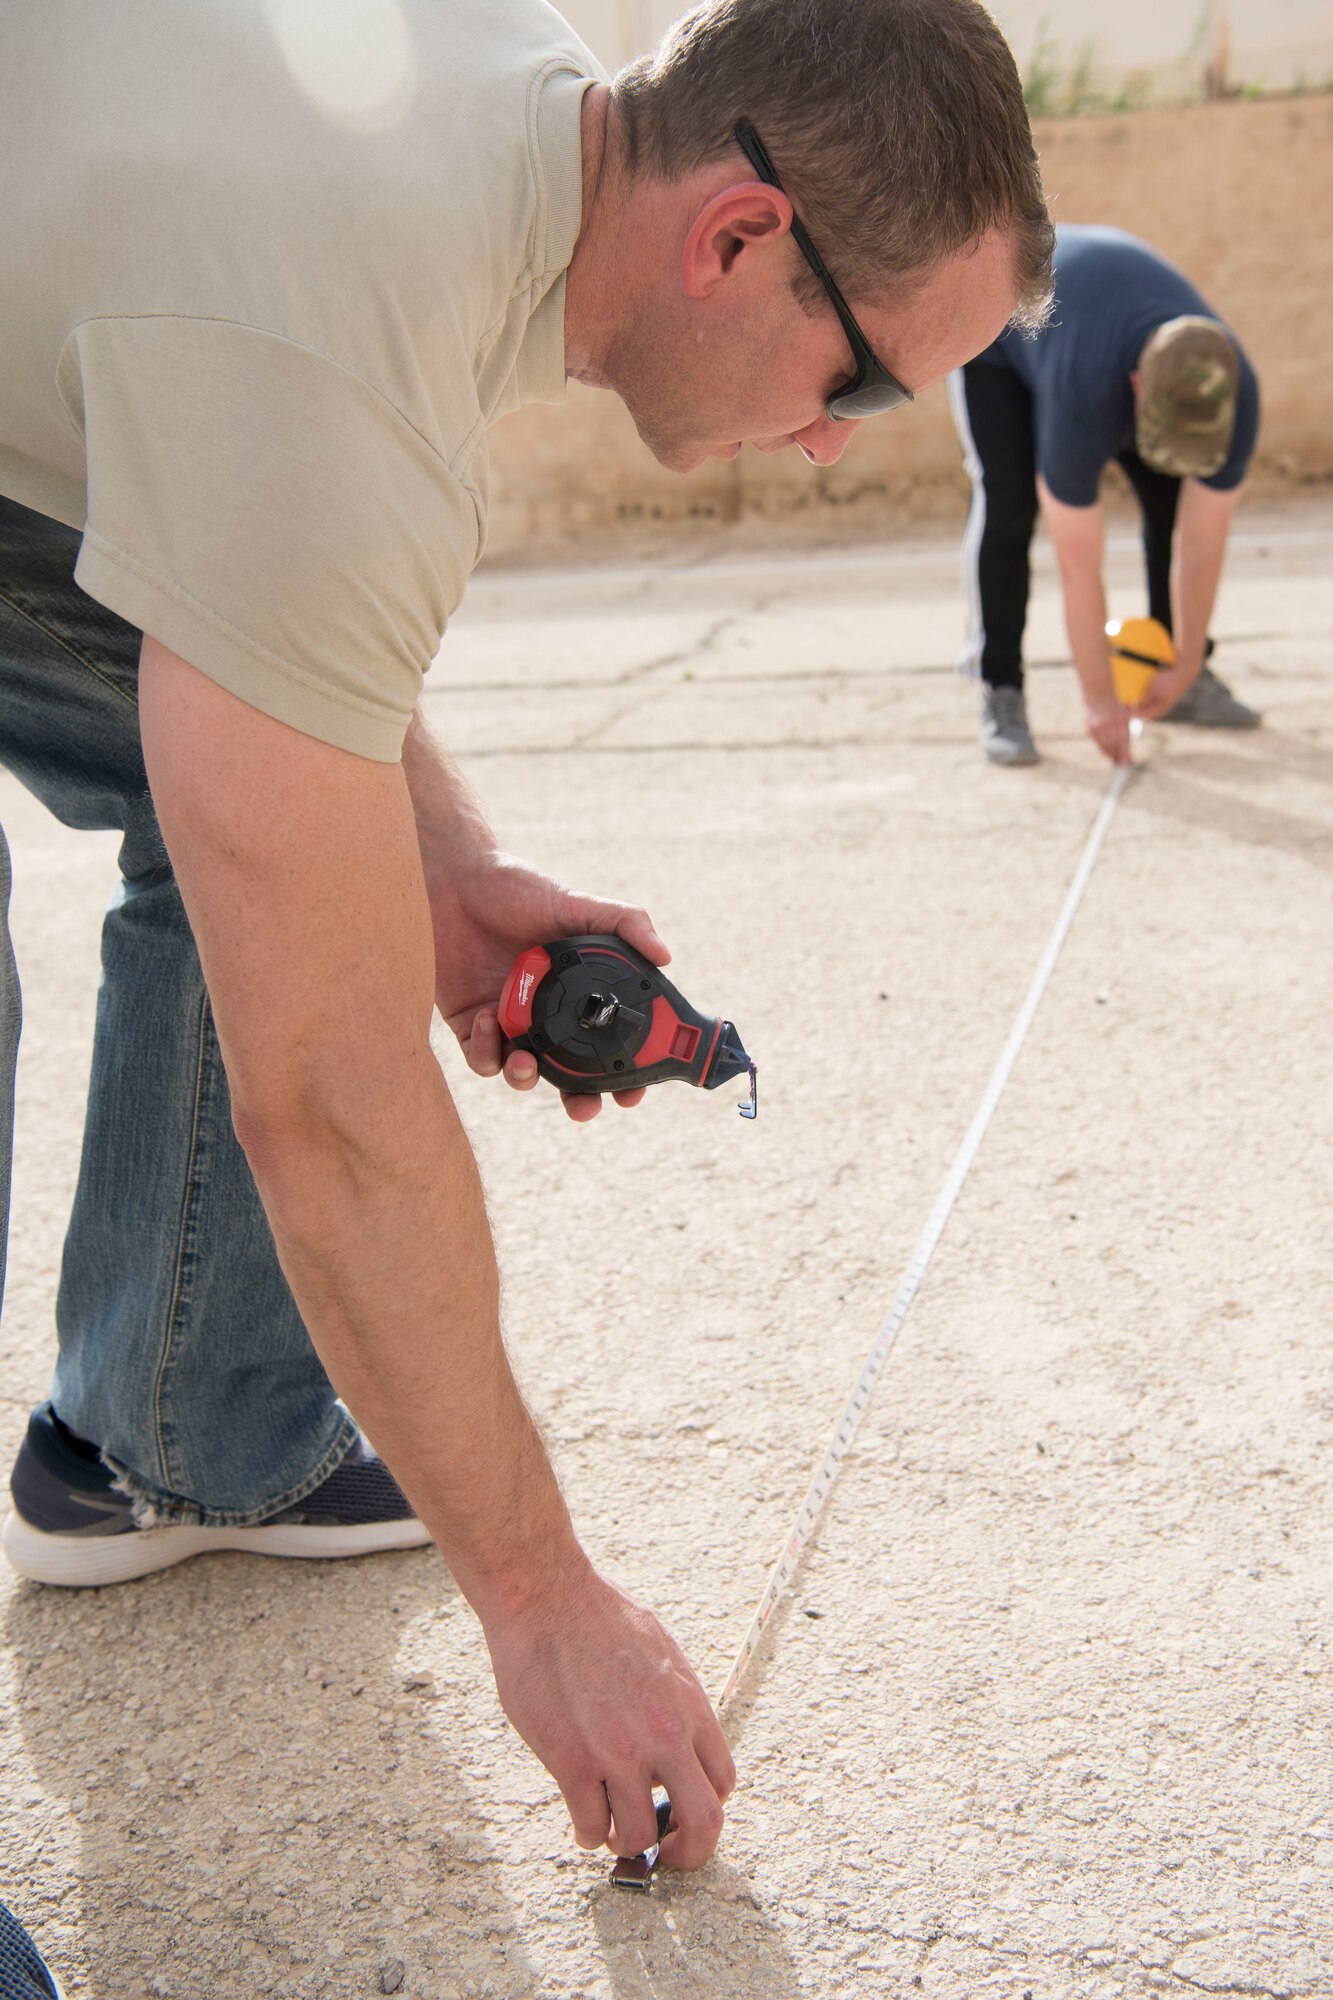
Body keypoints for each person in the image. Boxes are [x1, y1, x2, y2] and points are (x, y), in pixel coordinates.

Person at [0, 0, 1052, 1888]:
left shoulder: (502, 115)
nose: (825, 447)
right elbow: (321, 1108)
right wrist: (544, 1600)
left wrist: (442, 864)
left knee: (262, 827)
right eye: (866, 383)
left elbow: (250, 534)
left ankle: (179, 1433)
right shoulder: (344, 310)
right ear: (738, 238)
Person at [947, 223, 1261, 766]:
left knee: (1171, 498)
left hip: (1102, 321)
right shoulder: (1084, 397)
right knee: (1009, 502)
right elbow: (1079, 564)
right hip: (1000, 332)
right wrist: (1099, 700)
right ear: (1138, 389)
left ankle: (1177, 680)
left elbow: (1202, 540)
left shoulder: (1236, 394)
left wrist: (1184, 662)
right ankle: (1000, 689)